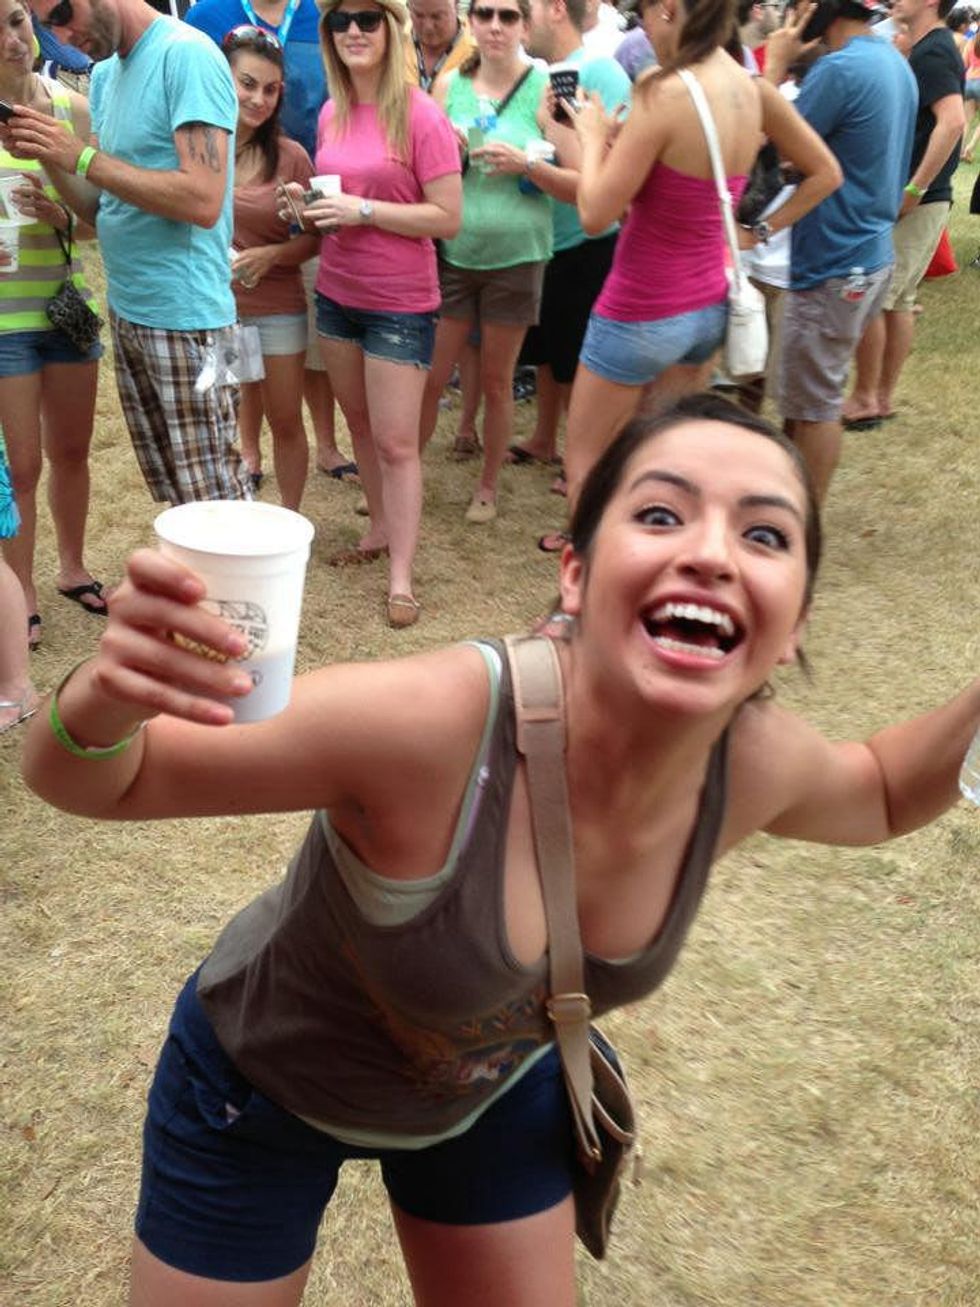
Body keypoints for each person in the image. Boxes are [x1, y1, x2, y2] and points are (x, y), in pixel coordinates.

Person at [22, 391, 980, 1307]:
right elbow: (100, 777)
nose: (713, 554)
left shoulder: (756, 762)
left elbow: (886, 790)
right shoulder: (431, 727)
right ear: (575, 571)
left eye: (765, 534)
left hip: (486, 1091)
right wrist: (110, 693)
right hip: (258, 1092)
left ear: (798, 615)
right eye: (660, 515)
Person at [554, 0, 841, 521]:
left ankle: (583, 600)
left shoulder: (663, 92)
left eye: (642, 12)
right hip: (708, 309)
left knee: (588, 469)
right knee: (661, 466)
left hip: (640, 309)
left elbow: (596, 213)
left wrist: (593, 139)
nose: (642, 25)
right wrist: (757, 232)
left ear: (668, 9)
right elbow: (826, 173)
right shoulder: (752, 88)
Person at [19, 0, 253, 506]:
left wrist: (80, 155)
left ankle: (238, 589)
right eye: (47, 24)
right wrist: (49, 153)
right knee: (178, 497)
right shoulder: (106, 75)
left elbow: (203, 198)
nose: (62, 33)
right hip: (131, 312)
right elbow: (102, 210)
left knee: (215, 500)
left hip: (190, 319)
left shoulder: (187, 55)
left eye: (64, 12)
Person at [282, 0, 461, 628]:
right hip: (337, 292)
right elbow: (339, 197)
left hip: (399, 304)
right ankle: (380, 527)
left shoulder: (422, 114)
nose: (353, 31)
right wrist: (308, 207)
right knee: (358, 423)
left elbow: (447, 217)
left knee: (396, 441)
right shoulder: (331, 112)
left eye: (367, 18)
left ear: (392, 27)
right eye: (339, 21)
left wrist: (363, 211)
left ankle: (402, 576)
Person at [765, 0, 917, 503]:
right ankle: (789, 498)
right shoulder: (894, 60)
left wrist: (778, 62)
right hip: (869, 250)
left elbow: (784, 145)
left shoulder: (838, 69)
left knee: (815, 404)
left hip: (834, 256)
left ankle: (799, 516)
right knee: (812, 395)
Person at [417, 0, 555, 524]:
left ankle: (488, 486)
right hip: (456, 249)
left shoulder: (543, 89)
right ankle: (406, 477)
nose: (495, 26)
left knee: (498, 383)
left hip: (517, 256)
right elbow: (421, 168)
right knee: (432, 376)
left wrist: (528, 163)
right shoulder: (449, 87)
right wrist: (445, 152)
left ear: (526, 23)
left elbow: (579, 174)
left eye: (508, 15)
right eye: (485, 14)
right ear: (469, 21)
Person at [0, 0, 105, 651]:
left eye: (14, 21)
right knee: (24, 464)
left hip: (66, 306)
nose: (11, 39)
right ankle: (24, 592)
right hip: (6, 318)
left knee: (72, 451)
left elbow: (99, 221)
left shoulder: (72, 109)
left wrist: (60, 212)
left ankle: (71, 568)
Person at [508, 0, 630, 488]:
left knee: (578, 355)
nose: (519, 16)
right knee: (547, 346)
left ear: (556, 9)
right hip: (547, 234)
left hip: (589, 236)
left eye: (526, 7)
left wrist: (542, 148)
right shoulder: (542, 74)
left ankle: (582, 455)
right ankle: (544, 437)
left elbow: (607, 162)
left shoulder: (601, 71)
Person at [841, 0, 964, 430]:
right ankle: (879, 397)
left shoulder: (934, 50)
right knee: (897, 301)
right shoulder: (928, 46)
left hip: (917, 198)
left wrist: (914, 188)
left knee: (878, 297)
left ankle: (866, 398)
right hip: (919, 197)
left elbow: (951, 122)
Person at [224, 25, 320, 509]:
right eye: (248, 83)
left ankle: (291, 518)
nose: (258, 99)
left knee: (285, 418)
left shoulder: (292, 157)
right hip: (220, 310)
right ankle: (235, 510)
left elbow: (313, 240)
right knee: (232, 411)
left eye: (270, 89)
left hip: (278, 306)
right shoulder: (201, 149)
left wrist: (274, 253)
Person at [405, 0, 477, 91]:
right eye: (419, 15)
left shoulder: (480, 52)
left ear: (456, 5)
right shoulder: (392, 42)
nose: (428, 27)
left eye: (437, 17)